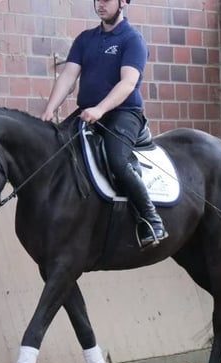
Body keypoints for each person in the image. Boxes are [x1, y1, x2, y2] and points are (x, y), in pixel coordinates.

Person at [41, 0, 167, 248]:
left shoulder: (132, 40)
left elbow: (128, 83)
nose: (100, 4)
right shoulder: (85, 39)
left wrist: (100, 109)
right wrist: (48, 110)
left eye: (107, 0)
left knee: (118, 161)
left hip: (123, 113)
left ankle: (151, 219)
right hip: (88, 112)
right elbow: (68, 76)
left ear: (122, 2)